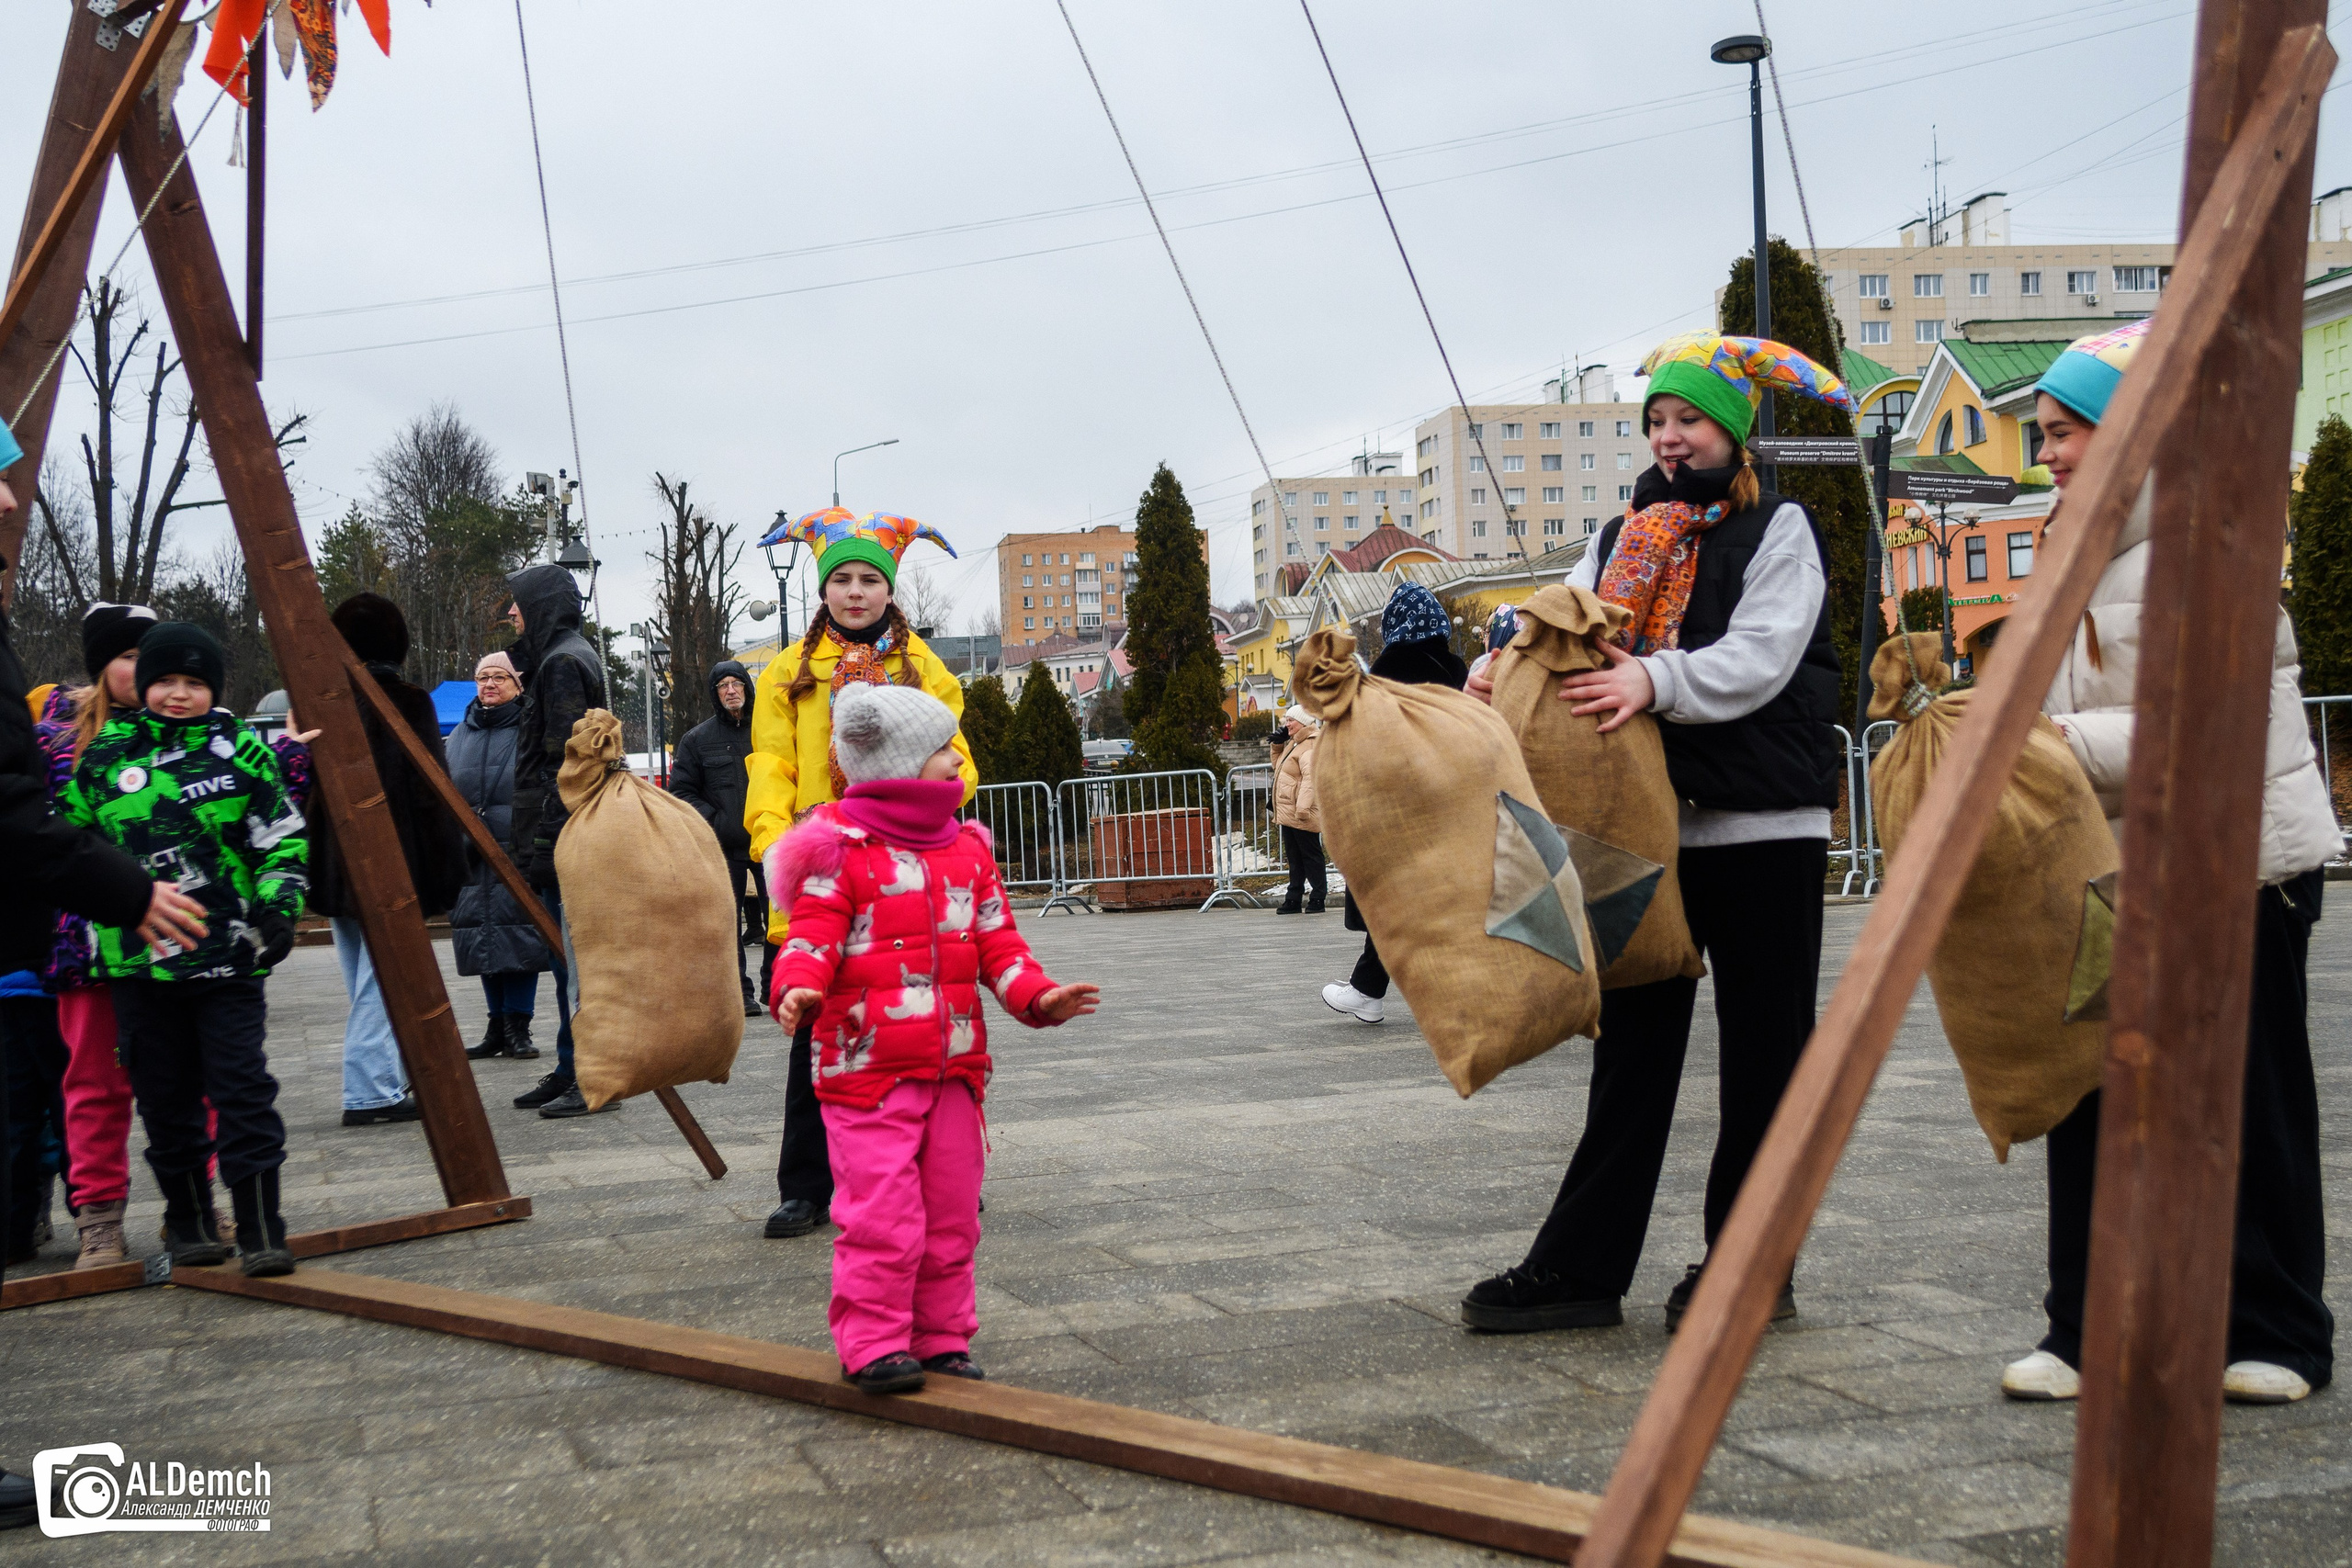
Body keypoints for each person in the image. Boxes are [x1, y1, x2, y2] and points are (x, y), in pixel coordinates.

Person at [1458, 333, 1858, 1335]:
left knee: (1765, 1055)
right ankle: (1581, 1269)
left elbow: (1763, 658)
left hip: (1762, 821)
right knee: (1630, 1053)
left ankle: (1751, 1265)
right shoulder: (1621, 531)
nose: (1670, 438)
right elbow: (1562, 619)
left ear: (1731, 430)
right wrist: (1501, 662)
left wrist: (1652, 677)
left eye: (1690, 421)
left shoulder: (1782, 528)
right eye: (1657, 421)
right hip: (1640, 818)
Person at [1996, 321, 2339, 1406]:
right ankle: (2083, 1327)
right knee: (2082, 1092)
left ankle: (2277, 1330)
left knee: (2246, 1094)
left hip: (2237, 866)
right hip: (2107, 863)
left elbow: (2214, 729)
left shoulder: (2210, 540)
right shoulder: (2068, 546)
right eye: (2040, 435)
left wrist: (2048, 749)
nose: (2044, 455)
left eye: (2063, 432)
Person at [771, 685, 1098, 1392]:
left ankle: (941, 1334)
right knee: (881, 1214)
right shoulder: (839, 851)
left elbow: (997, 943)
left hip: (953, 1068)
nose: (957, 759)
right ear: (896, 765)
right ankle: (874, 1342)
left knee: (951, 1210)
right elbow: (812, 935)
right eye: (942, 749)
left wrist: (1038, 996)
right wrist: (797, 984)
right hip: (866, 1069)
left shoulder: (967, 850)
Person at [745, 510, 973, 1240]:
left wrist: (937, 821)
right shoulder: (785, 670)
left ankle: (941, 1176)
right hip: (823, 866)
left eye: (868, 580)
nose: (853, 592)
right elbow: (771, 764)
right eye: (840, 579)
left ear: (889, 589)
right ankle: (806, 1185)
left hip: (908, 863)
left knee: (923, 1026)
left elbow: (956, 759)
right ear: (822, 588)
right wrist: (776, 845)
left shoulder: (926, 670)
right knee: (815, 1027)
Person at [54, 622, 304, 1279]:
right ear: (143, 684)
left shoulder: (243, 750)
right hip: (137, 962)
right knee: (164, 1098)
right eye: (165, 680)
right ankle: (189, 1219)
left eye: (194, 683)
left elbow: (280, 836)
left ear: (213, 689)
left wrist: (278, 909)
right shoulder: (106, 756)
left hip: (228, 957)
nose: (178, 693)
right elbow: (65, 846)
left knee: (242, 1089)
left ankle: (260, 1228)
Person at [307, 594, 465, 1127]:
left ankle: (387, 1078)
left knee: (363, 976)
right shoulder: (408, 702)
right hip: (392, 865)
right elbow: (430, 791)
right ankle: (371, 1089)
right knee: (388, 977)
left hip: (335, 862)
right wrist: (446, 866)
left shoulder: (321, 701)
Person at [1323, 583, 1469, 1025]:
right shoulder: (1458, 671)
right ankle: (1371, 989)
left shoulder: (1389, 672)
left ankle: (1368, 991)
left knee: (1394, 901)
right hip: (1451, 801)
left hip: (1396, 806)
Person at [503, 563, 609, 1119]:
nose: (511, 613)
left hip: (562, 830)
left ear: (541, 604)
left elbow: (565, 761)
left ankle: (588, 1074)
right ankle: (572, 1065)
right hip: (555, 826)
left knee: (573, 958)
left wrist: (548, 837)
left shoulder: (563, 662)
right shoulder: (558, 656)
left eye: (517, 603)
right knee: (560, 954)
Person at [447, 649, 550, 1061]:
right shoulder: (459, 735)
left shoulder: (531, 729)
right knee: (483, 937)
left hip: (517, 850)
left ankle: (518, 1026)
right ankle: (496, 1025)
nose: (489, 684)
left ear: (517, 685)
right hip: (471, 855)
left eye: (499, 677)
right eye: (483, 677)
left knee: (521, 936)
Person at [670, 659, 763, 1016]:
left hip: (770, 841)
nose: (730, 690)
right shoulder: (697, 739)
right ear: (715, 694)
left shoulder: (767, 731)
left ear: (746, 687)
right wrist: (717, 821)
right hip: (724, 847)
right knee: (729, 923)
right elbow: (681, 792)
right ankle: (741, 993)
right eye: (723, 685)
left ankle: (779, 985)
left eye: (736, 683)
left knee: (782, 919)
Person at [1271, 705, 1325, 915]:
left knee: (1310, 856)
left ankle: (1318, 898)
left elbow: (1310, 779)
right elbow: (1278, 768)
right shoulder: (1294, 743)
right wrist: (1277, 745)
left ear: (1302, 722)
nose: (1287, 725)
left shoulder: (1310, 745)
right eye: (1286, 721)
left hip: (1302, 812)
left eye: (1291, 720)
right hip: (1290, 812)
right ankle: (1293, 898)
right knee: (1295, 857)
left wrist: (1302, 809)